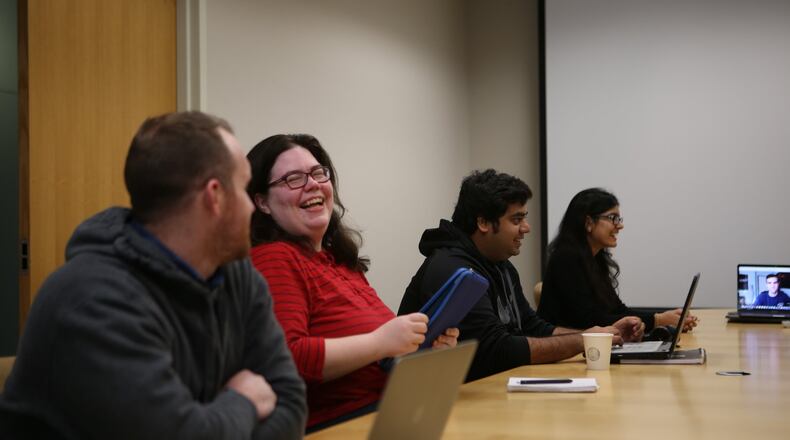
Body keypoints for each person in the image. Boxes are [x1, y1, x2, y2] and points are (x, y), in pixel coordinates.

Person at [0, 112, 306, 439]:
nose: (251, 207)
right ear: (214, 197)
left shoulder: (234, 273)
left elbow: (290, 399)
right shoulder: (91, 300)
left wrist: (212, 423)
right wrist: (243, 402)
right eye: (244, 189)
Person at [246, 134, 458, 431]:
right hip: (340, 426)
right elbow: (288, 358)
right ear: (262, 202)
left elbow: (380, 358)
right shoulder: (274, 258)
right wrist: (380, 342)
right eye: (293, 179)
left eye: (319, 173)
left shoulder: (341, 263)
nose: (313, 184)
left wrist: (422, 350)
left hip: (393, 416)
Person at [398, 170, 643, 381]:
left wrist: (601, 333)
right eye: (517, 219)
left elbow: (532, 327)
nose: (526, 228)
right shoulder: (454, 270)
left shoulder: (501, 265)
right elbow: (495, 350)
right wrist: (584, 340)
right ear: (483, 222)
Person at [537, 188, 698, 334]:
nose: (619, 226)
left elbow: (617, 310)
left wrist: (662, 318)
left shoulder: (595, 258)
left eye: (619, 219)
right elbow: (587, 321)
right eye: (612, 218)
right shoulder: (566, 259)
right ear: (588, 223)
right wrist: (657, 321)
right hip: (561, 354)